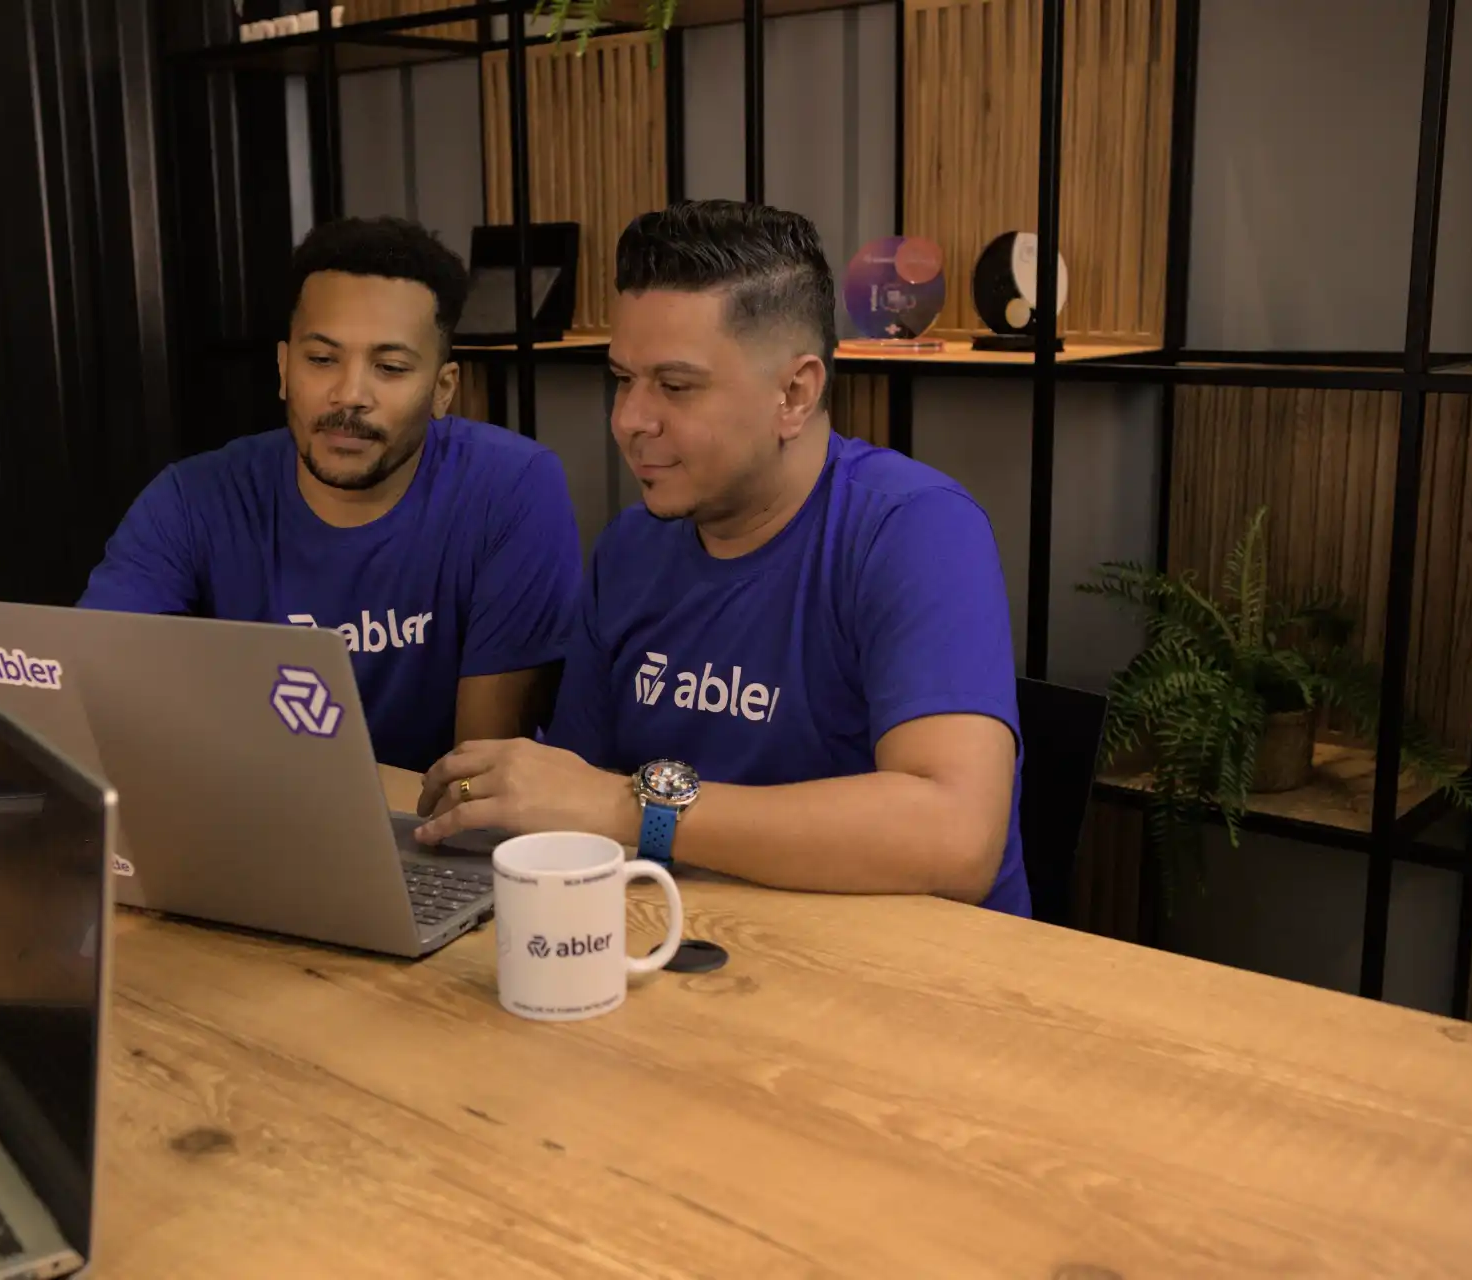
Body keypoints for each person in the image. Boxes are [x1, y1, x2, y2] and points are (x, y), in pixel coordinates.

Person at [413, 200, 1028, 914]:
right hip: (690, 951)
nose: (630, 421)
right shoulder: (631, 550)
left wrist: (634, 809)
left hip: (913, 987)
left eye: (675, 387)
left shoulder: (914, 531)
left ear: (794, 394)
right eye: (622, 379)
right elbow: (577, 796)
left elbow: (956, 841)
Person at [80, 216, 582, 772]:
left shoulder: (511, 488)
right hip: (252, 825)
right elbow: (97, 695)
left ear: (443, 390)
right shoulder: (191, 498)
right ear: (283, 368)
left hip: (437, 838)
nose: (349, 395)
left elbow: (478, 779)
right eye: (321, 360)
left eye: (389, 367)